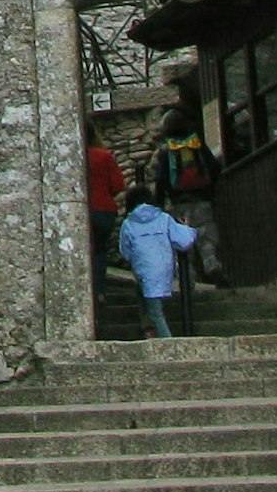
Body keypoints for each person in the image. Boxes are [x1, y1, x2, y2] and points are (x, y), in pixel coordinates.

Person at [117, 187, 200, 339]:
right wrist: (186, 226)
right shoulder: (164, 218)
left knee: (155, 312)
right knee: (148, 297)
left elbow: (125, 252)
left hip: (143, 269)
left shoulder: (128, 224)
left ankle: (166, 342)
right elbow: (184, 240)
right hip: (164, 268)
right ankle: (148, 328)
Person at [84, 134, 126, 289]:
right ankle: (100, 290)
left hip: (82, 211)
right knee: (100, 251)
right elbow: (118, 185)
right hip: (104, 211)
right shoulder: (104, 156)